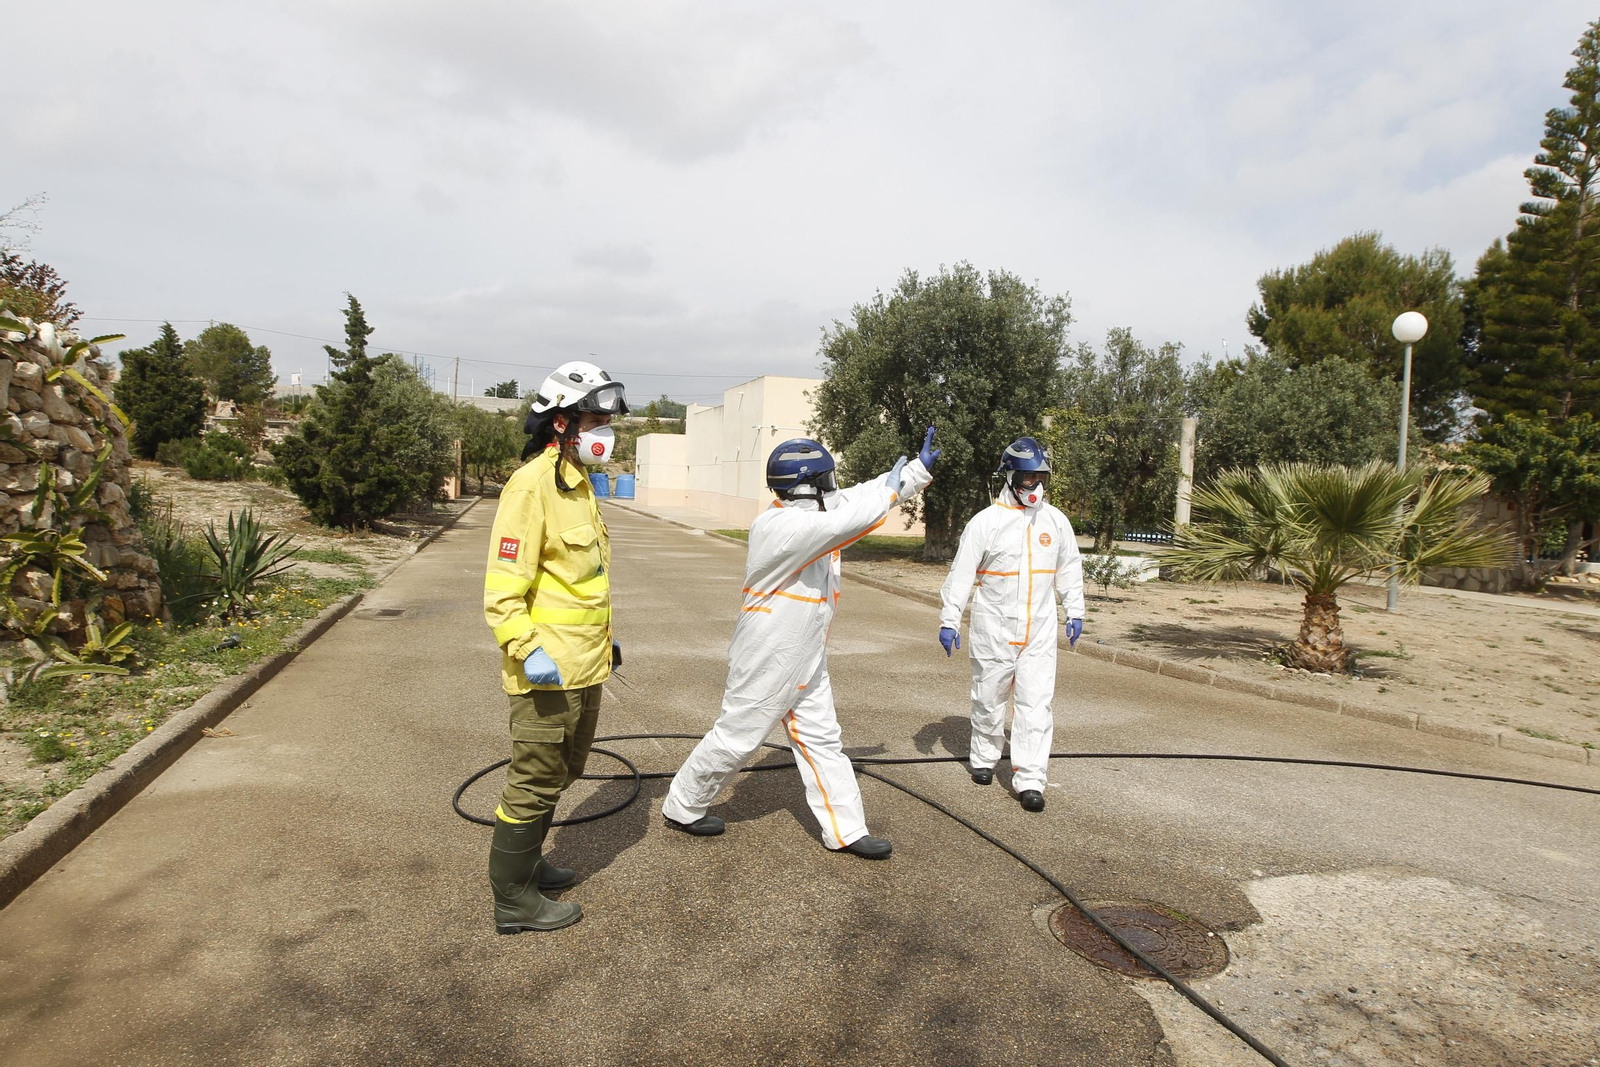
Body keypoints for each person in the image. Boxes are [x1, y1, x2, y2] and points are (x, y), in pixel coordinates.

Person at [661, 428, 940, 858]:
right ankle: (683, 806)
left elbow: (852, 497)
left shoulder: (809, 510)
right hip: (769, 650)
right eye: (825, 477)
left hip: (804, 648)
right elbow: (854, 516)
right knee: (738, 736)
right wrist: (888, 493)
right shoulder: (786, 526)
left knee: (822, 738)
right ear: (808, 485)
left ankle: (845, 831)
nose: (833, 484)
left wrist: (915, 472)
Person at [481, 360, 628, 934]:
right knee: (534, 777)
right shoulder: (531, 486)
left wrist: (605, 641)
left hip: (584, 663)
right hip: (544, 669)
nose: (604, 432)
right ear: (562, 423)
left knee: (565, 771)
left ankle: (531, 864)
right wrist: (524, 646)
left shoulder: (579, 485)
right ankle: (513, 899)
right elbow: (503, 586)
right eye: (594, 418)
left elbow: (579, 579)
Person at [937, 436, 1084, 812]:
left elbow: (1069, 568)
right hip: (994, 628)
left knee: (1036, 703)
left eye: (1041, 478)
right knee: (989, 697)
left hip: (1039, 628)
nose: (1034, 486)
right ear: (1009, 477)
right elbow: (961, 573)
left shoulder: (1056, 521)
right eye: (1027, 477)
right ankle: (984, 758)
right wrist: (950, 618)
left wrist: (1076, 609)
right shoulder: (986, 523)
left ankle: (1031, 778)